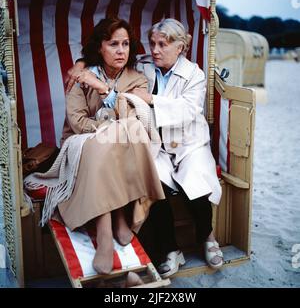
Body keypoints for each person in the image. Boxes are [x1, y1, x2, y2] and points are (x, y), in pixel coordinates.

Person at [65, 18, 223, 278]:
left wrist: (151, 99)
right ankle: (171, 249)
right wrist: (81, 65)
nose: (155, 49)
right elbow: (105, 62)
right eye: (152, 43)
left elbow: (188, 110)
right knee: (154, 182)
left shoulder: (194, 74)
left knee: (197, 183)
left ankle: (207, 236)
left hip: (188, 142)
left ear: (180, 47)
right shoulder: (144, 66)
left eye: (163, 44)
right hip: (154, 142)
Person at [25, 17, 165, 275]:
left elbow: (134, 120)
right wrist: (109, 126)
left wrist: (103, 90)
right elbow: (77, 122)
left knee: (125, 134)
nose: (121, 50)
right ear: (100, 47)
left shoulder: (138, 79)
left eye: (125, 44)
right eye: (113, 44)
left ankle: (118, 219)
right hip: (81, 142)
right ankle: (106, 229)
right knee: (109, 140)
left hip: (123, 141)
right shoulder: (82, 75)